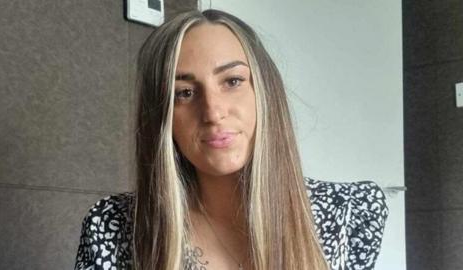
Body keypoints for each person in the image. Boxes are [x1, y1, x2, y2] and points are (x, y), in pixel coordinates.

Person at [74, 9, 388, 270]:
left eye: (233, 81)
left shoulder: (350, 213)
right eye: (184, 93)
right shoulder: (112, 228)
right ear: (162, 118)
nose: (212, 111)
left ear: (265, 93)